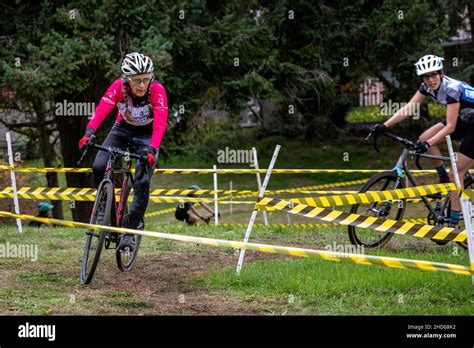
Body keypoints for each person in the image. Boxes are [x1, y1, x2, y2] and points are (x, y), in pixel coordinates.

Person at [371, 54, 474, 228]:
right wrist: (384, 125)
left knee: (456, 172)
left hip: (468, 122)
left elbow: (449, 127)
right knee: (424, 138)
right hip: (466, 118)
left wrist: (428, 145)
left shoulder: (452, 88)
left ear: (440, 73)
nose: (431, 80)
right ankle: (443, 178)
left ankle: (454, 221)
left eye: (434, 75)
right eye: (427, 76)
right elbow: (409, 108)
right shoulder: (426, 87)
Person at [78, 52, 168, 250]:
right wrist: (89, 131)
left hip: (147, 135)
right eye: (137, 81)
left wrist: (152, 150)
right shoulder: (119, 87)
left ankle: (130, 231)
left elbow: (160, 124)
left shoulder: (157, 90)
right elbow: (103, 108)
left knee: (142, 181)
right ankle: (105, 210)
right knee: (99, 166)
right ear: (128, 79)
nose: (142, 85)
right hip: (122, 129)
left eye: (145, 79)